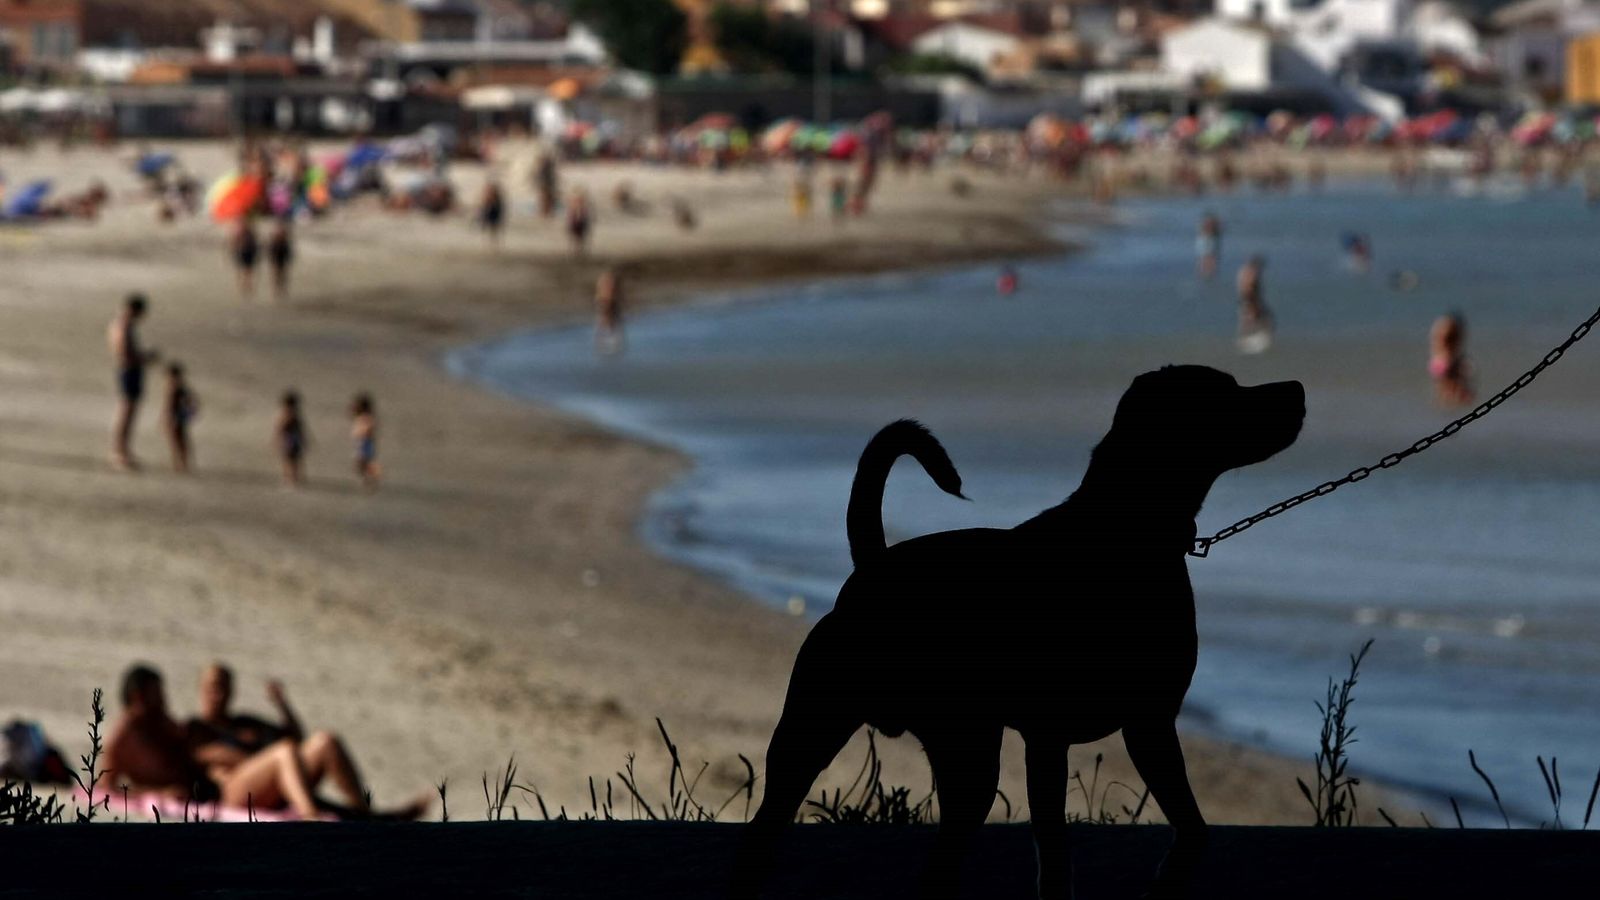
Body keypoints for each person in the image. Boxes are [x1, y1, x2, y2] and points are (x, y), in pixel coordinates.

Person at [186, 663, 422, 819]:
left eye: (224, 688)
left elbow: (297, 740)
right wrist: (267, 760)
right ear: (200, 689)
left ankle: (364, 814)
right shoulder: (197, 728)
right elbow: (212, 757)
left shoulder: (244, 722)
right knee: (283, 753)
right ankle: (310, 816)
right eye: (213, 687)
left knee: (325, 741)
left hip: (275, 781)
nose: (218, 695)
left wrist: (282, 705)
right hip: (233, 791)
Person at [108, 294, 157, 471]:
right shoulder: (123, 325)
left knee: (128, 413)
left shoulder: (121, 324)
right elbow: (124, 355)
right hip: (129, 371)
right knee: (126, 413)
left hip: (129, 370)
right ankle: (120, 452)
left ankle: (123, 451)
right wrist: (145, 358)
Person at [1429, 312, 1474, 407]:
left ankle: (1447, 411)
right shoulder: (1450, 332)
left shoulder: (1438, 330)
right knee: (1457, 392)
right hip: (1447, 362)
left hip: (1437, 362)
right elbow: (1454, 351)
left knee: (1445, 393)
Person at [161, 362, 198, 474]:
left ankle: (182, 463)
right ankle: (179, 462)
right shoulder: (176, 387)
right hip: (175, 415)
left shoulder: (176, 387)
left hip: (176, 416)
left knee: (178, 440)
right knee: (176, 440)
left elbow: (171, 404)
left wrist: (190, 411)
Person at [1236, 255, 1273, 355]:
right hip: (1250, 300)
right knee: (1256, 319)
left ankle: (1246, 340)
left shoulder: (1245, 271)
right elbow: (1248, 289)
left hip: (1248, 300)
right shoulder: (1251, 273)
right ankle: (1247, 341)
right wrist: (1253, 304)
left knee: (1250, 319)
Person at [275, 390, 308, 488]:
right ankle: (292, 478)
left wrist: (277, 437)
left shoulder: (288, 414)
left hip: (290, 440)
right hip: (294, 439)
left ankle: (291, 479)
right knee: (293, 460)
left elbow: (281, 427)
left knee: (289, 460)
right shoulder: (295, 415)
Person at [350, 393, 380, 490]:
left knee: (365, 463)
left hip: (365, 443)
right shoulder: (360, 417)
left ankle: (375, 474)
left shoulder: (367, 418)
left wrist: (364, 433)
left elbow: (370, 428)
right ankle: (368, 480)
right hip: (360, 443)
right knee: (361, 464)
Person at [594, 267, 625, 356]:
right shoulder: (604, 282)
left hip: (611, 302)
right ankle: (603, 338)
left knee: (612, 321)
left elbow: (618, 293)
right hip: (606, 302)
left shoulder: (612, 282)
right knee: (605, 320)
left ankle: (606, 338)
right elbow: (599, 293)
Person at [231, 219, 260, 301]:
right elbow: (234, 243)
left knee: (248, 270)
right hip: (242, 253)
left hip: (249, 253)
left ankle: (247, 285)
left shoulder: (250, 232)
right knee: (242, 270)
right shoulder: (238, 232)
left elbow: (255, 243)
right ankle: (243, 285)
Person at [267, 218, 294, 302]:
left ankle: (281, 289)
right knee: (276, 273)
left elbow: (288, 248)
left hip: (281, 256)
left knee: (282, 273)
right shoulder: (275, 235)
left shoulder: (284, 235)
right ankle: (276, 290)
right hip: (276, 256)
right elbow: (271, 248)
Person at [478, 180, 505, 249]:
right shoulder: (489, 196)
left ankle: (492, 243)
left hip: (493, 214)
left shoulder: (496, 197)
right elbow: (484, 205)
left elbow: (498, 208)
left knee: (493, 229)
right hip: (490, 214)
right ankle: (489, 243)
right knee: (489, 228)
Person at [1196, 213, 1222, 280]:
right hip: (1206, 243)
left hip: (1209, 243)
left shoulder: (1214, 232)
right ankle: (1206, 272)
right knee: (1206, 258)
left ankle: (1207, 273)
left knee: (1209, 258)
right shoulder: (1204, 232)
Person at [566, 190, 591, 256]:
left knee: (580, 237)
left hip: (580, 222)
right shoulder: (573, 207)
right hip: (575, 222)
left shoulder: (582, 208)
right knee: (575, 236)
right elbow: (570, 217)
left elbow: (585, 216)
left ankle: (579, 248)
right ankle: (576, 248)